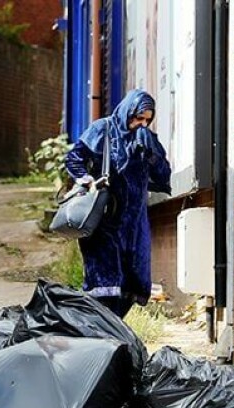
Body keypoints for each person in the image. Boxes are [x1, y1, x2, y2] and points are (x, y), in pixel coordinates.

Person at [63, 89, 172, 318]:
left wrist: (152, 154)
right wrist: (87, 180)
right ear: (127, 112)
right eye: (138, 118)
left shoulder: (146, 139)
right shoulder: (103, 129)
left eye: (147, 120)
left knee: (134, 280)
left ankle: (114, 326)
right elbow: (74, 158)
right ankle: (100, 327)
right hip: (105, 219)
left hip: (135, 224)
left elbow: (163, 177)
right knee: (105, 281)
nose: (142, 124)